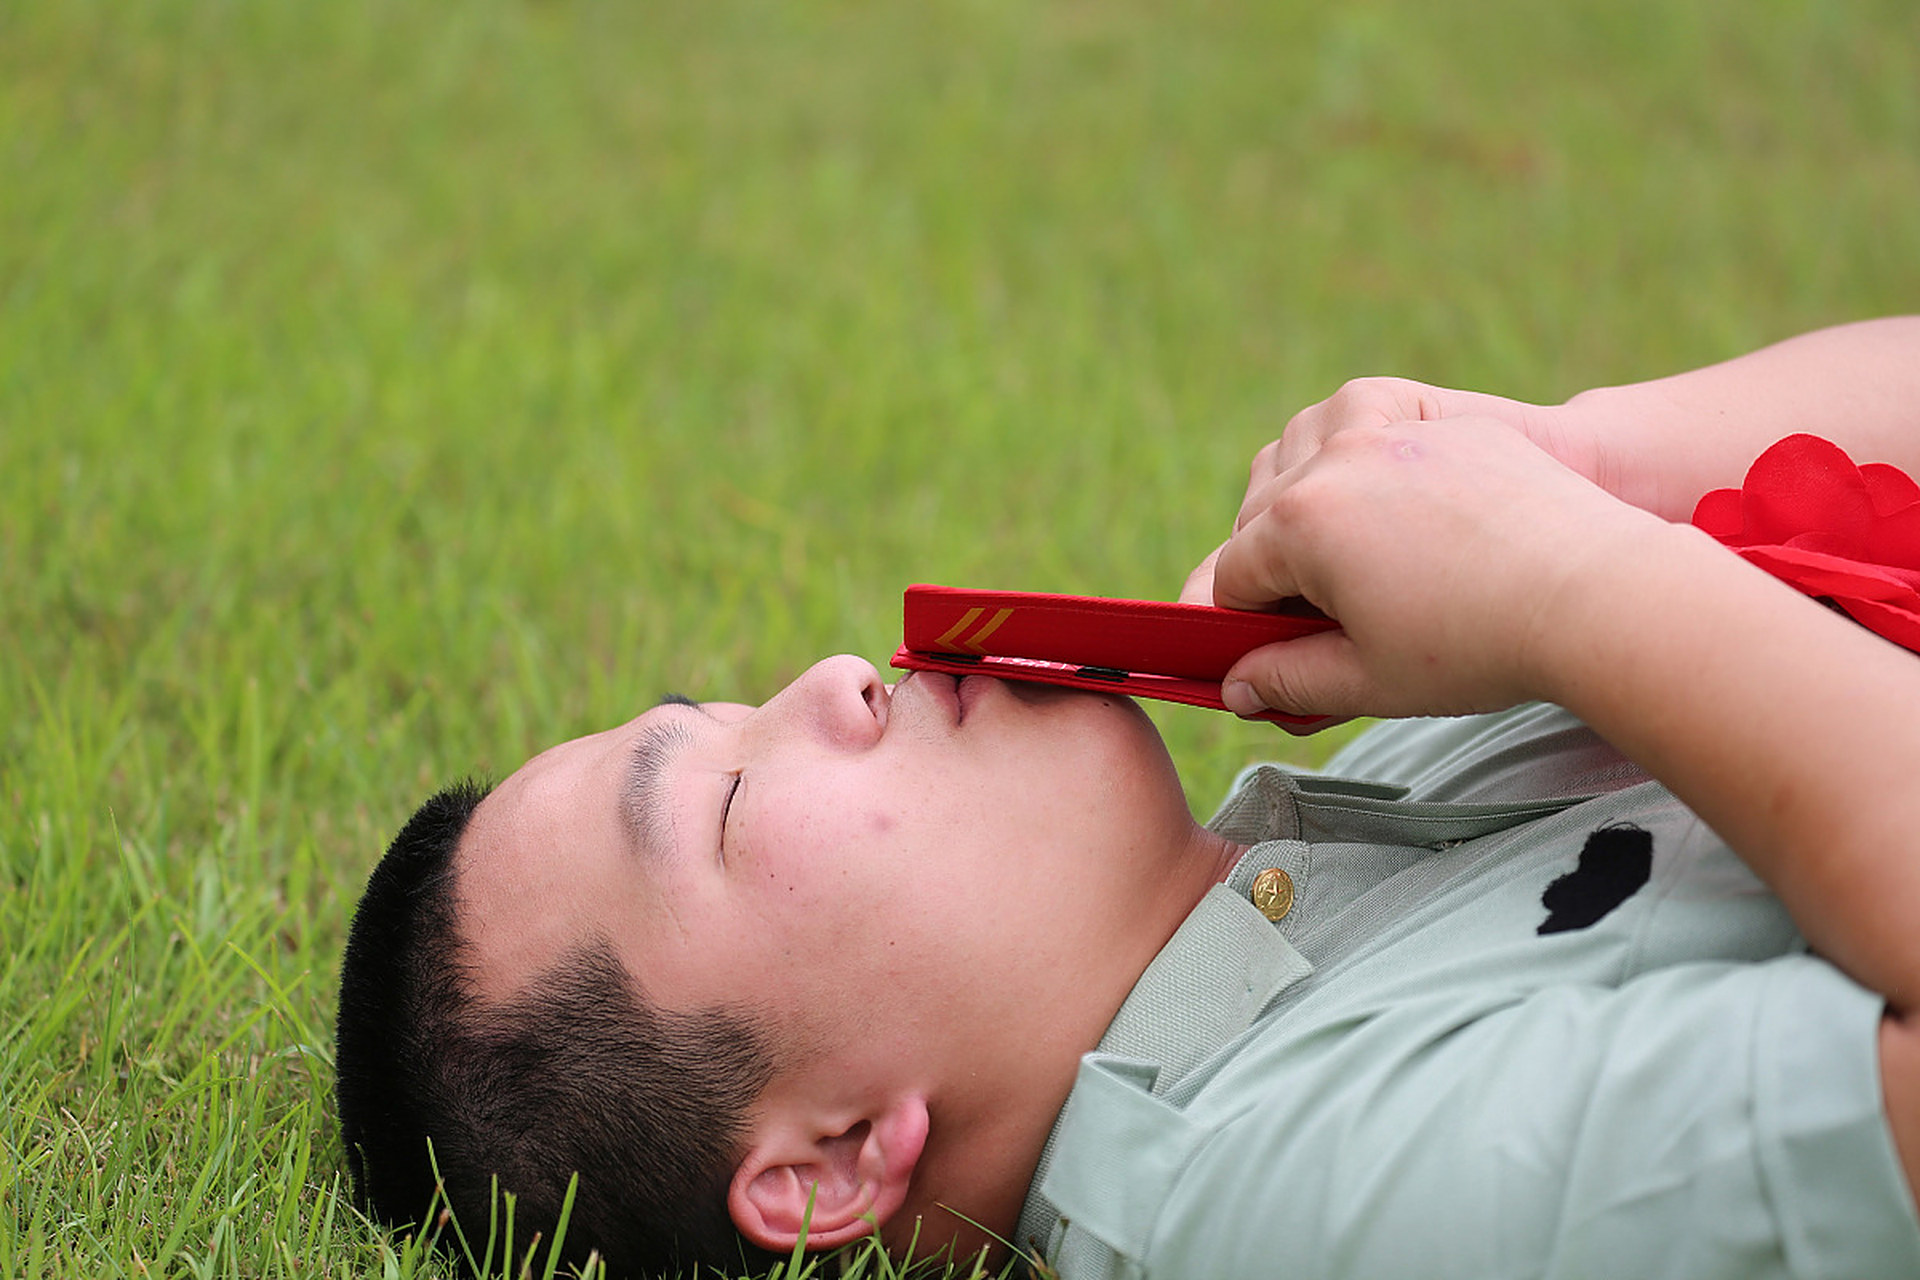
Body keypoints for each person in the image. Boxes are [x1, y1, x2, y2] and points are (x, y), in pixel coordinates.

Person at [336, 317, 1920, 1278]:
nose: (830, 678)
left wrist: (1576, 462)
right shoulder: (1289, 1199)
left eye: (724, 709)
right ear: (828, 1164)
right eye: (729, 802)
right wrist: (1574, 582)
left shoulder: (1361, 791)